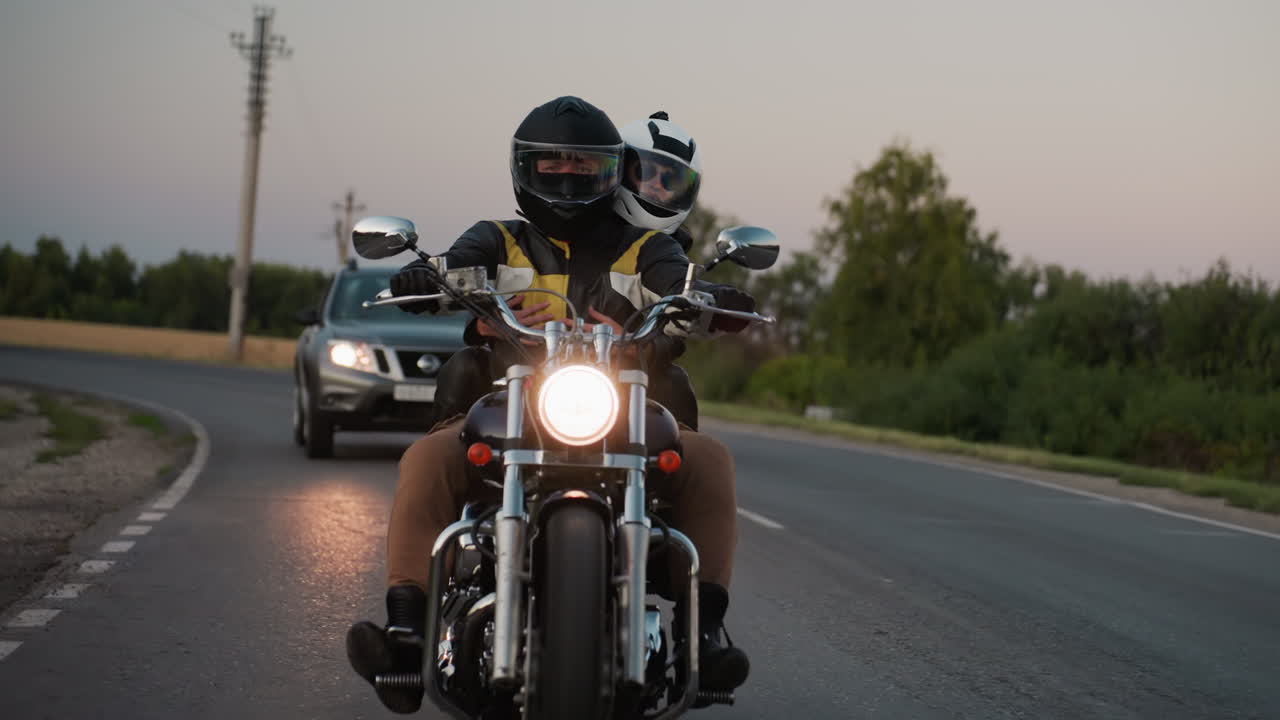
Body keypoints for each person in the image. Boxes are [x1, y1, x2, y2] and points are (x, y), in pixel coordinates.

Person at [346, 96, 753, 714]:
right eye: (551, 165)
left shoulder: (643, 249)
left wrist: (710, 298)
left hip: (618, 408)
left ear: (611, 171)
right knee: (427, 459)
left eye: (582, 166)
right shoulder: (498, 238)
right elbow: (456, 267)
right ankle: (405, 628)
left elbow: (680, 283)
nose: (566, 177)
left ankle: (705, 631)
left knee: (710, 457)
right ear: (523, 169)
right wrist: (427, 280)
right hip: (505, 407)